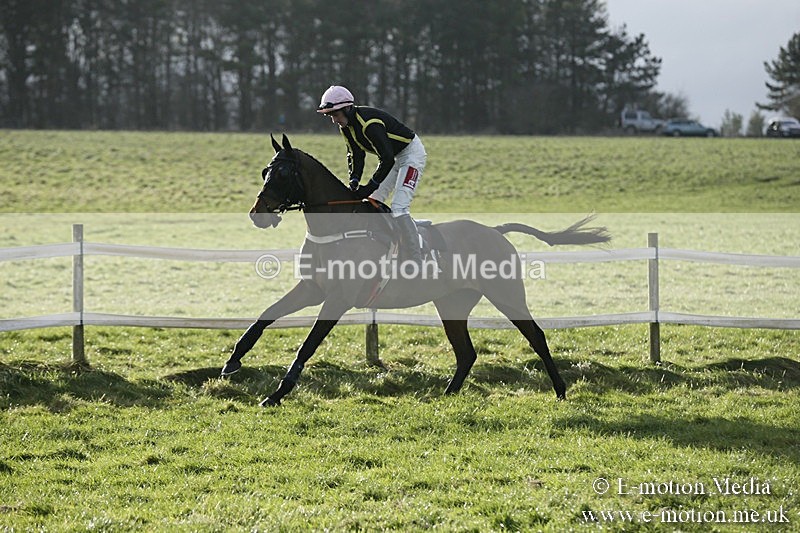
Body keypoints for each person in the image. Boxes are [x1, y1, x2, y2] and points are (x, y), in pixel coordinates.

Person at [316, 85, 427, 264]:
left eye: (335, 114)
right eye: (330, 116)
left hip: (410, 155)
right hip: (392, 157)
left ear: (347, 108)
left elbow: (387, 159)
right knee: (373, 203)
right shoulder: (346, 127)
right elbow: (355, 154)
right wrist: (354, 179)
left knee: (398, 208)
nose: (334, 120)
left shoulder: (370, 124)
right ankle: (385, 249)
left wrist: (370, 185)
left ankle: (417, 259)